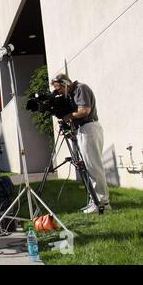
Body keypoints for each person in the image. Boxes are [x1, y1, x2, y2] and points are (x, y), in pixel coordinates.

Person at [51, 73, 111, 214]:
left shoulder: (80, 88)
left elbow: (84, 111)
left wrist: (69, 116)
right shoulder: (72, 93)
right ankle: (95, 200)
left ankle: (102, 202)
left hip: (89, 128)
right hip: (83, 129)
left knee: (93, 167)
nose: (58, 92)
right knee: (89, 168)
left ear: (66, 83)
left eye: (59, 88)